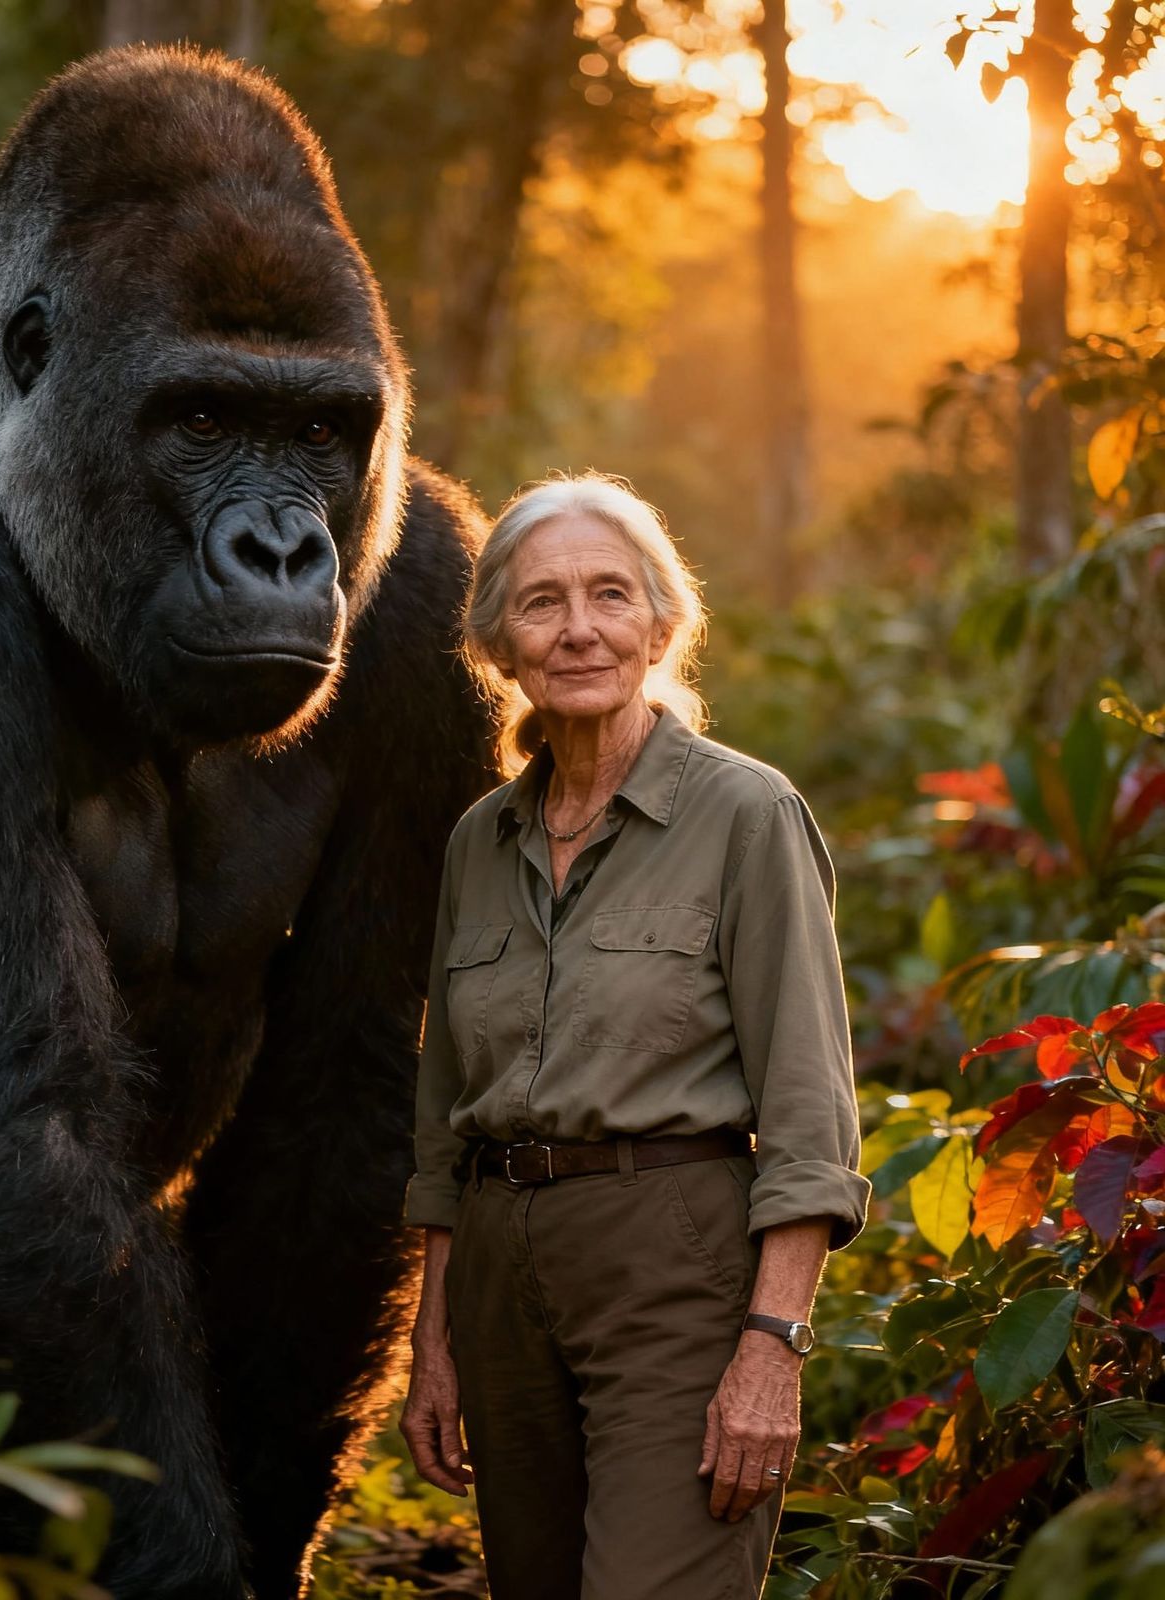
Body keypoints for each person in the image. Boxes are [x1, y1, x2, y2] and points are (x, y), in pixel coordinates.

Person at [400, 473, 869, 1600]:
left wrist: (771, 1345)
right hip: (500, 1273)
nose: (577, 629)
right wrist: (433, 1336)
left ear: (660, 623)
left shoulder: (746, 817)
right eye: (540, 602)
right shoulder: (480, 840)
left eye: (609, 594)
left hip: (673, 1263)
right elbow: (441, 1122)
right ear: (497, 645)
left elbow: (808, 1117)